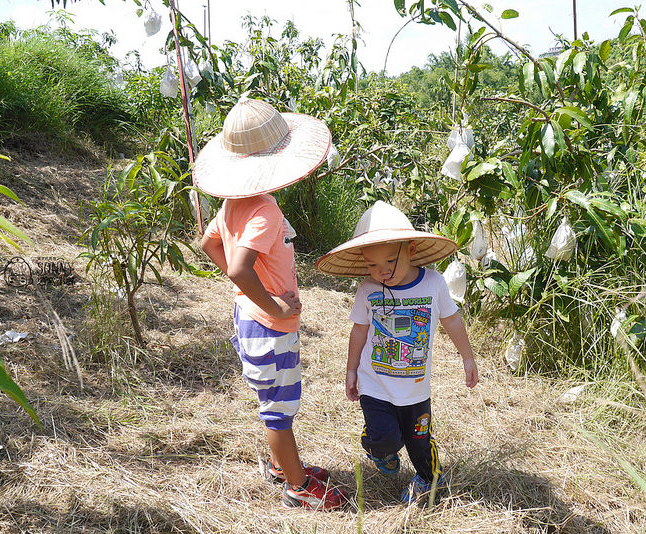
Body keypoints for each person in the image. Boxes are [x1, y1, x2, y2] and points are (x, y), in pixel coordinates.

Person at [195, 97, 347, 510]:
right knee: (278, 410)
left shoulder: (233, 204)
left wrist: (252, 293)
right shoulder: (262, 211)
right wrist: (276, 305)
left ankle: (286, 466)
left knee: (276, 403)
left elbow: (208, 243)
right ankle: (298, 487)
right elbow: (238, 269)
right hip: (269, 326)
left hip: (250, 318)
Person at [316, 201, 479, 503]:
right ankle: (379, 448)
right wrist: (351, 370)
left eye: (390, 262)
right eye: (373, 265)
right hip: (374, 384)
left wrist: (467, 357)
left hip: (415, 388)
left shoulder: (433, 283)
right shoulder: (368, 289)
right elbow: (360, 330)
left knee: (419, 441)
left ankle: (429, 479)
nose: (382, 272)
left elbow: (452, 320)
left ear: (412, 250)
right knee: (385, 439)